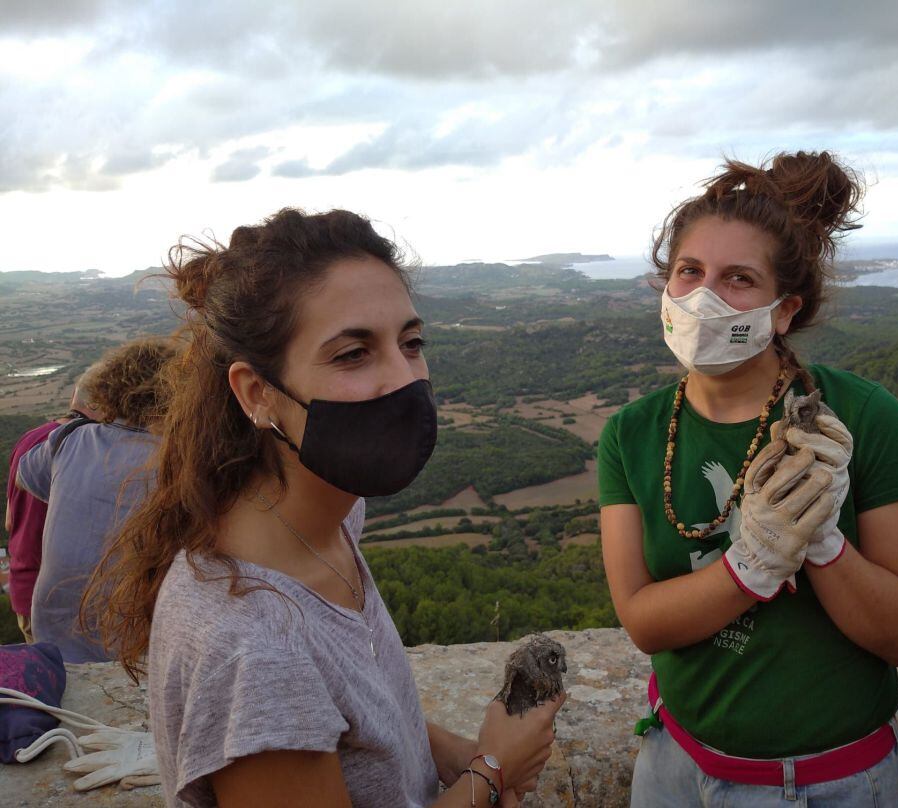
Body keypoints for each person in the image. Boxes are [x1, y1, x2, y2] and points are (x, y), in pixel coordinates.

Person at [81, 209, 563, 808]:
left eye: (411, 343)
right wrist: (493, 771)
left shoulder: (327, 517)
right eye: (352, 354)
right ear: (257, 394)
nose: (402, 379)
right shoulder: (254, 646)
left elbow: (355, 722)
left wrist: (451, 756)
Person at [597, 152, 898, 806]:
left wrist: (822, 542)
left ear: (784, 311)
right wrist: (751, 565)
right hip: (673, 765)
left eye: (738, 280)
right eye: (689, 271)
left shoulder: (865, 419)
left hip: (826, 784)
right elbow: (643, 620)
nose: (704, 296)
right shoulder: (631, 434)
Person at [15, 342, 173, 661]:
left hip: (51, 638)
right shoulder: (176, 462)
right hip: (128, 648)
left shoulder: (68, 439)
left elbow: (24, 475)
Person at [4, 383, 99, 644]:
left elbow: (10, 522)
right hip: (65, 599)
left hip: (24, 589)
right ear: (98, 406)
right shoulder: (87, 448)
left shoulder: (28, 439)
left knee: (49, 681)